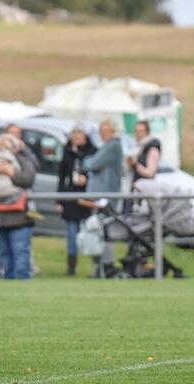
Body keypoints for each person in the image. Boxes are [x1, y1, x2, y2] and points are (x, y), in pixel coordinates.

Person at [0, 133, 37, 279]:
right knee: (3, 253)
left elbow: (28, 179)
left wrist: (11, 173)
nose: (4, 146)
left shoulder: (23, 160)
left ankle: (22, 282)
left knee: (20, 252)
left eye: (8, 143)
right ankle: (7, 280)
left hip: (20, 216)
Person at [82, 118, 124, 277]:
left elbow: (91, 164)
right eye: (101, 131)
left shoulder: (112, 145)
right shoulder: (108, 146)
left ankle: (107, 266)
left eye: (105, 131)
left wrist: (86, 161)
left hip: (106, 199)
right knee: (98, 232)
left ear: (112, 131)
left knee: (104, 233)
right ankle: (100, 268)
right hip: (100, 199)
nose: (102, 134)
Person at [56, 124, 97, 276]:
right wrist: (58, 200)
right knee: (72, 233)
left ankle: (96, 265)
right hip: (71, 199)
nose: (76, 139)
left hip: (87, 198)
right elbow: (61, 178)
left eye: (79, 136)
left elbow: (96, 172)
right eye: (74, 136)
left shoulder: (93, 152)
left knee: (92, 232)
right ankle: (71, 267)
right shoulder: (67, 153)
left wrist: (86, 179)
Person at [125, 120, 161, 213]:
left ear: (147, 132)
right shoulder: (138, 148)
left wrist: (135, 165)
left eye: (141, 131)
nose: (138, 134)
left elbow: (150, 173)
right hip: (134, 190)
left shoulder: (152, 149)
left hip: (144, 194)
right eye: (136, 131)